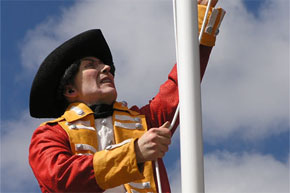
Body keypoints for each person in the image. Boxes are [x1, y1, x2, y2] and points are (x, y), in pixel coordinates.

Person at [29, 1, 225, 192]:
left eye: (106, 66)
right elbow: (60, 176)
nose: (106, 68)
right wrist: (135, 152)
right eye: (90, 65)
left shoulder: (144, 122)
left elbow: (182, 85)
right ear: (70, 90)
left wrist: (198, 16)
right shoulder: (50, 135)